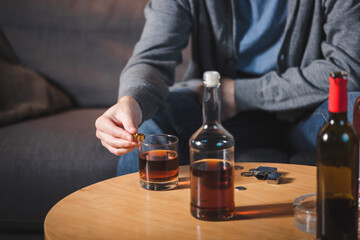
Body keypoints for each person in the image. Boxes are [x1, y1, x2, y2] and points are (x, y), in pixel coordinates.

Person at [95, 0, 360, 176]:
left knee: (355, 108)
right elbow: (153, 58)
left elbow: (348, 67)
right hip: (217, 115)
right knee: (149, 126)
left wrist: (241, 94)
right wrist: (131, 101)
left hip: (308, 113)